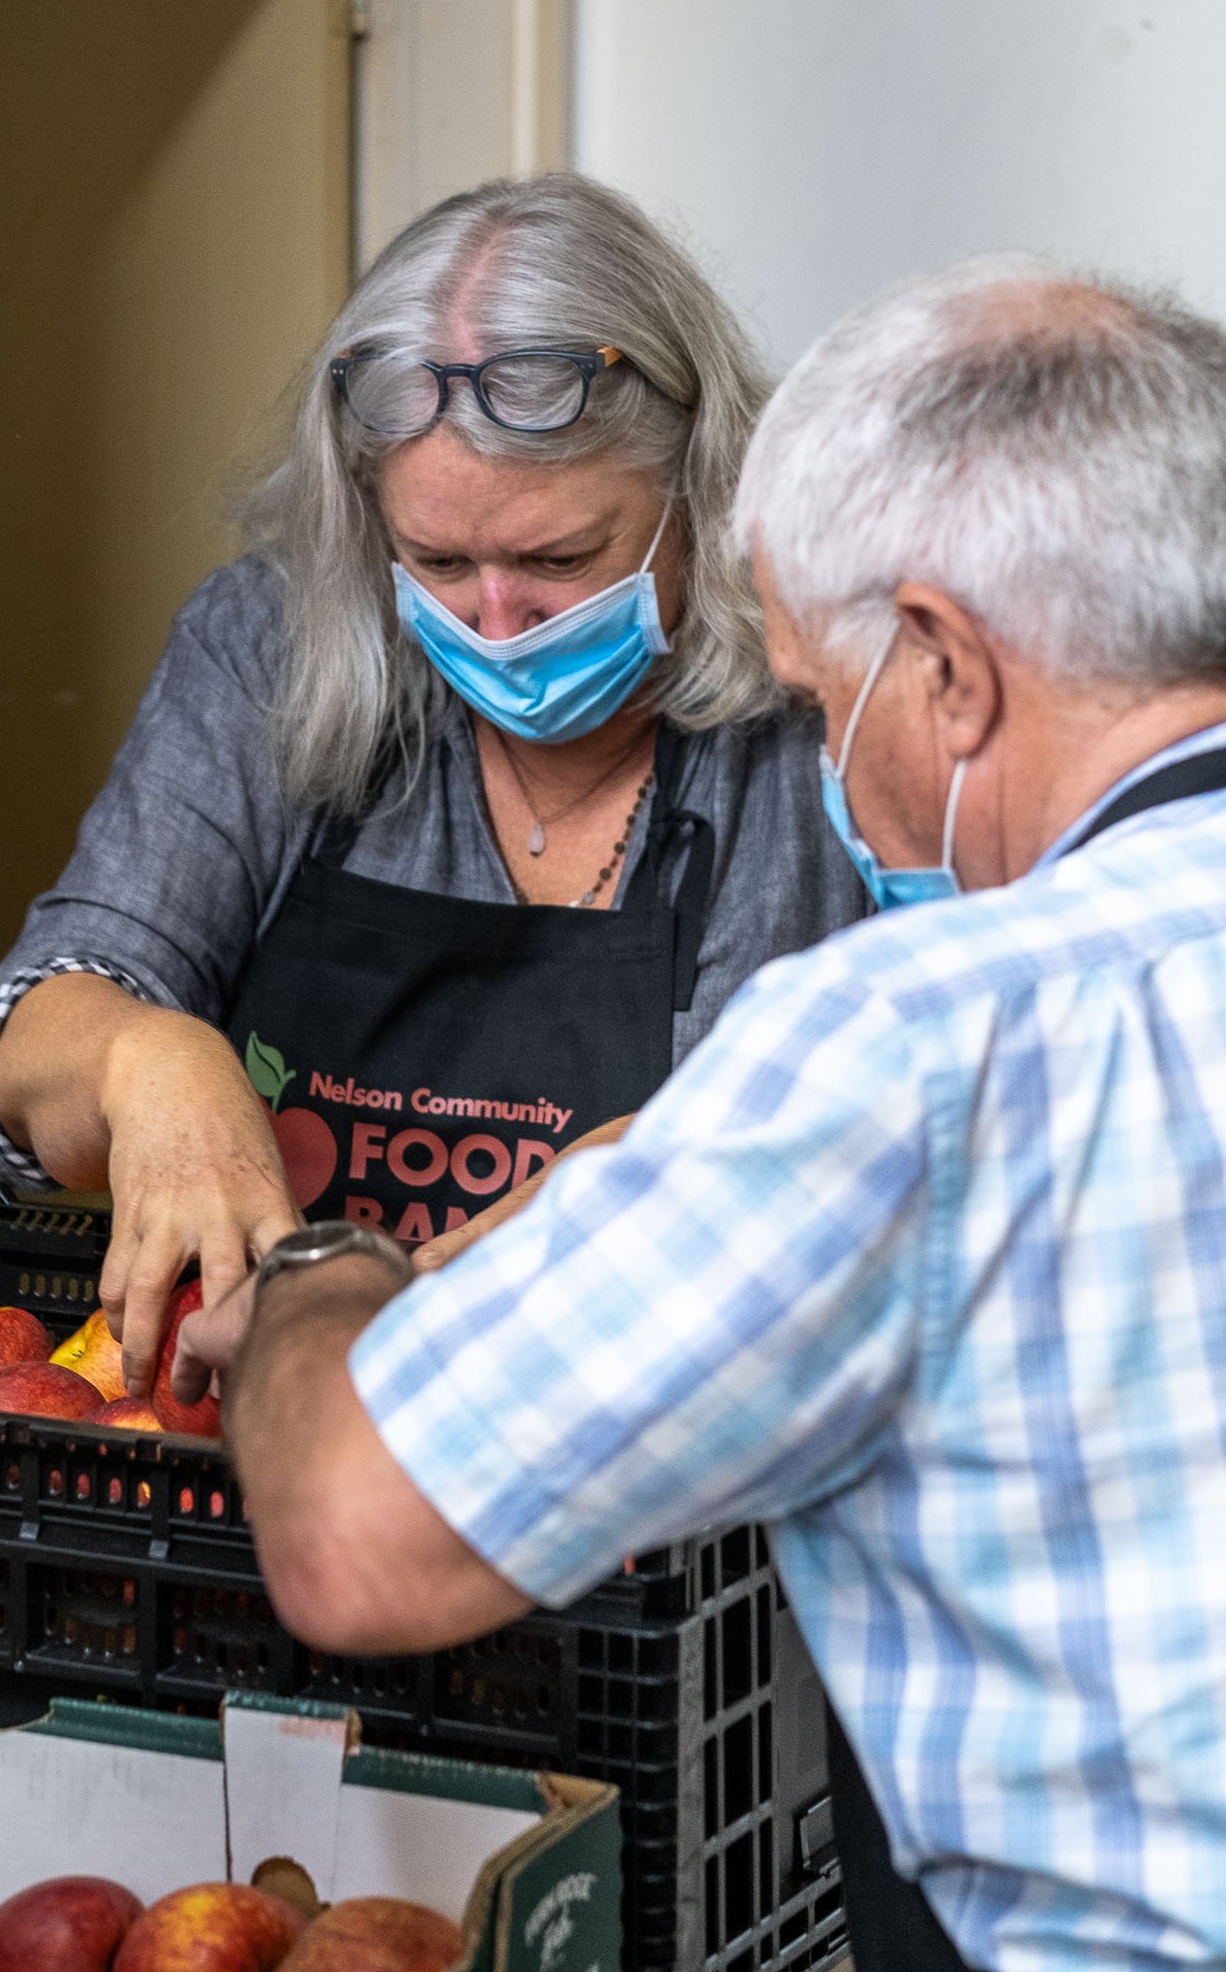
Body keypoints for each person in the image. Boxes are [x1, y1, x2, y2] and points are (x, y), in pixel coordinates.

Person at [177, 259, 1226, 1972]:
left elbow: (361, 1541)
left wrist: (325, 1268)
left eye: (829, 701)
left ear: (948, 668)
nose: (830, 761)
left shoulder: (927, 1042)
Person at [0, 172, 867, 1399]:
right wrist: (143, 1059)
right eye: (437, 559)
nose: (496, 621)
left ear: (701, 488)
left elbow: (885, 1134)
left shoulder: (823, 716)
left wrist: (671, 1175)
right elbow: (28, 1041)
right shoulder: (268, 647)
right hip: (269, 1456)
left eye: (561, 557)